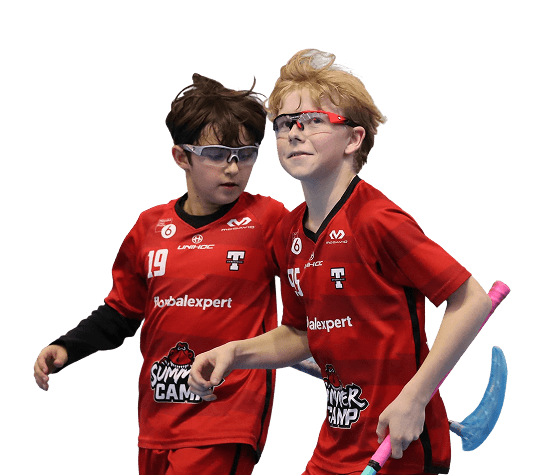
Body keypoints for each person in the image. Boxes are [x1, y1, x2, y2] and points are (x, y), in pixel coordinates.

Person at [188, 49, 493, 475]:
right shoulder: (289, 232)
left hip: (398, 448)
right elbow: (300, 334)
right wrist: (234, 352)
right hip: (336, 444)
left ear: (353, 139)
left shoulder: (378, 220)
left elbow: (471, 300)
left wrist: (415, 398)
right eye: (285, 124)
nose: (295, 133)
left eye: (313, 120)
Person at [32, 73, 290, 475]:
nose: (233, 167)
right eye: (217, 153)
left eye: (246, 154)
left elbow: (317, 281)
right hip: (157, 419)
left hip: (225, 417)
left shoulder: (268, 219)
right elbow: (121, 312)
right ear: (181, 157)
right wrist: (68, 347)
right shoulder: (149, 227)